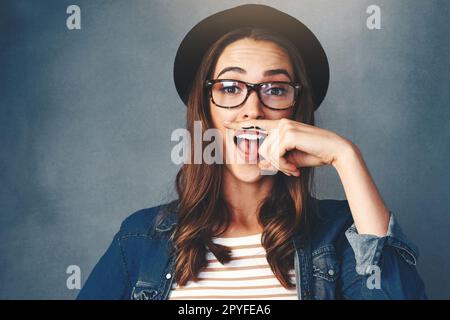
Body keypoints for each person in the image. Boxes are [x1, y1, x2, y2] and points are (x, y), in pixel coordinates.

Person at [77, 4, 426, 300]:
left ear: (296, 113)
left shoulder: (340, 233)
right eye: (231, 87)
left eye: (275, 89)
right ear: (206, 110)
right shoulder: (140, 238)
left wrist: (346, 157)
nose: (253, 109)